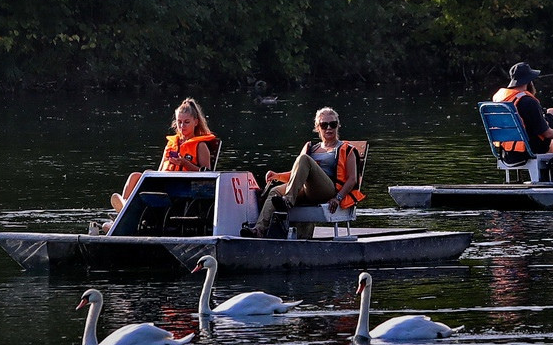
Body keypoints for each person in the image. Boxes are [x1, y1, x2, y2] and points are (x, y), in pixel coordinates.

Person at [246, 106, 365, 239]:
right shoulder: (310, 147)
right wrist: (277, 176)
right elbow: (296, 175)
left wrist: (338, 198)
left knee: (304, 159)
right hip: (305, 190)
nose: (329, 128)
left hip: (328, 190)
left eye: (333, 124)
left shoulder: (346, 149)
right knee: (275, 191)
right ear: (317, 127)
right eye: (324, 125)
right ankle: (259, 230)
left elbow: (352, 179)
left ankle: (288, 201)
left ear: (338, 126)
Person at [109, 98, 217, 213]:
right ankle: (124, 207)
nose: (182, 126)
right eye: (179, 122)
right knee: (134, 176)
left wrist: (185, 163)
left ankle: (124, 212)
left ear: (195, 122)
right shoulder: (172, 144)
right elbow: (160, 170)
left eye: (186, 122)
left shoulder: (200, 145)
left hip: (183, 188)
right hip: (164, 183)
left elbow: (207, 175)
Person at [492, 62, 553, 155]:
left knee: (552, 113)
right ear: (528, 81)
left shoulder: (501, 99)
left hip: (507, 151)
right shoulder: (528, 101)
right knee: (547, 130)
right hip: (527, 149)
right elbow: (546, 133)